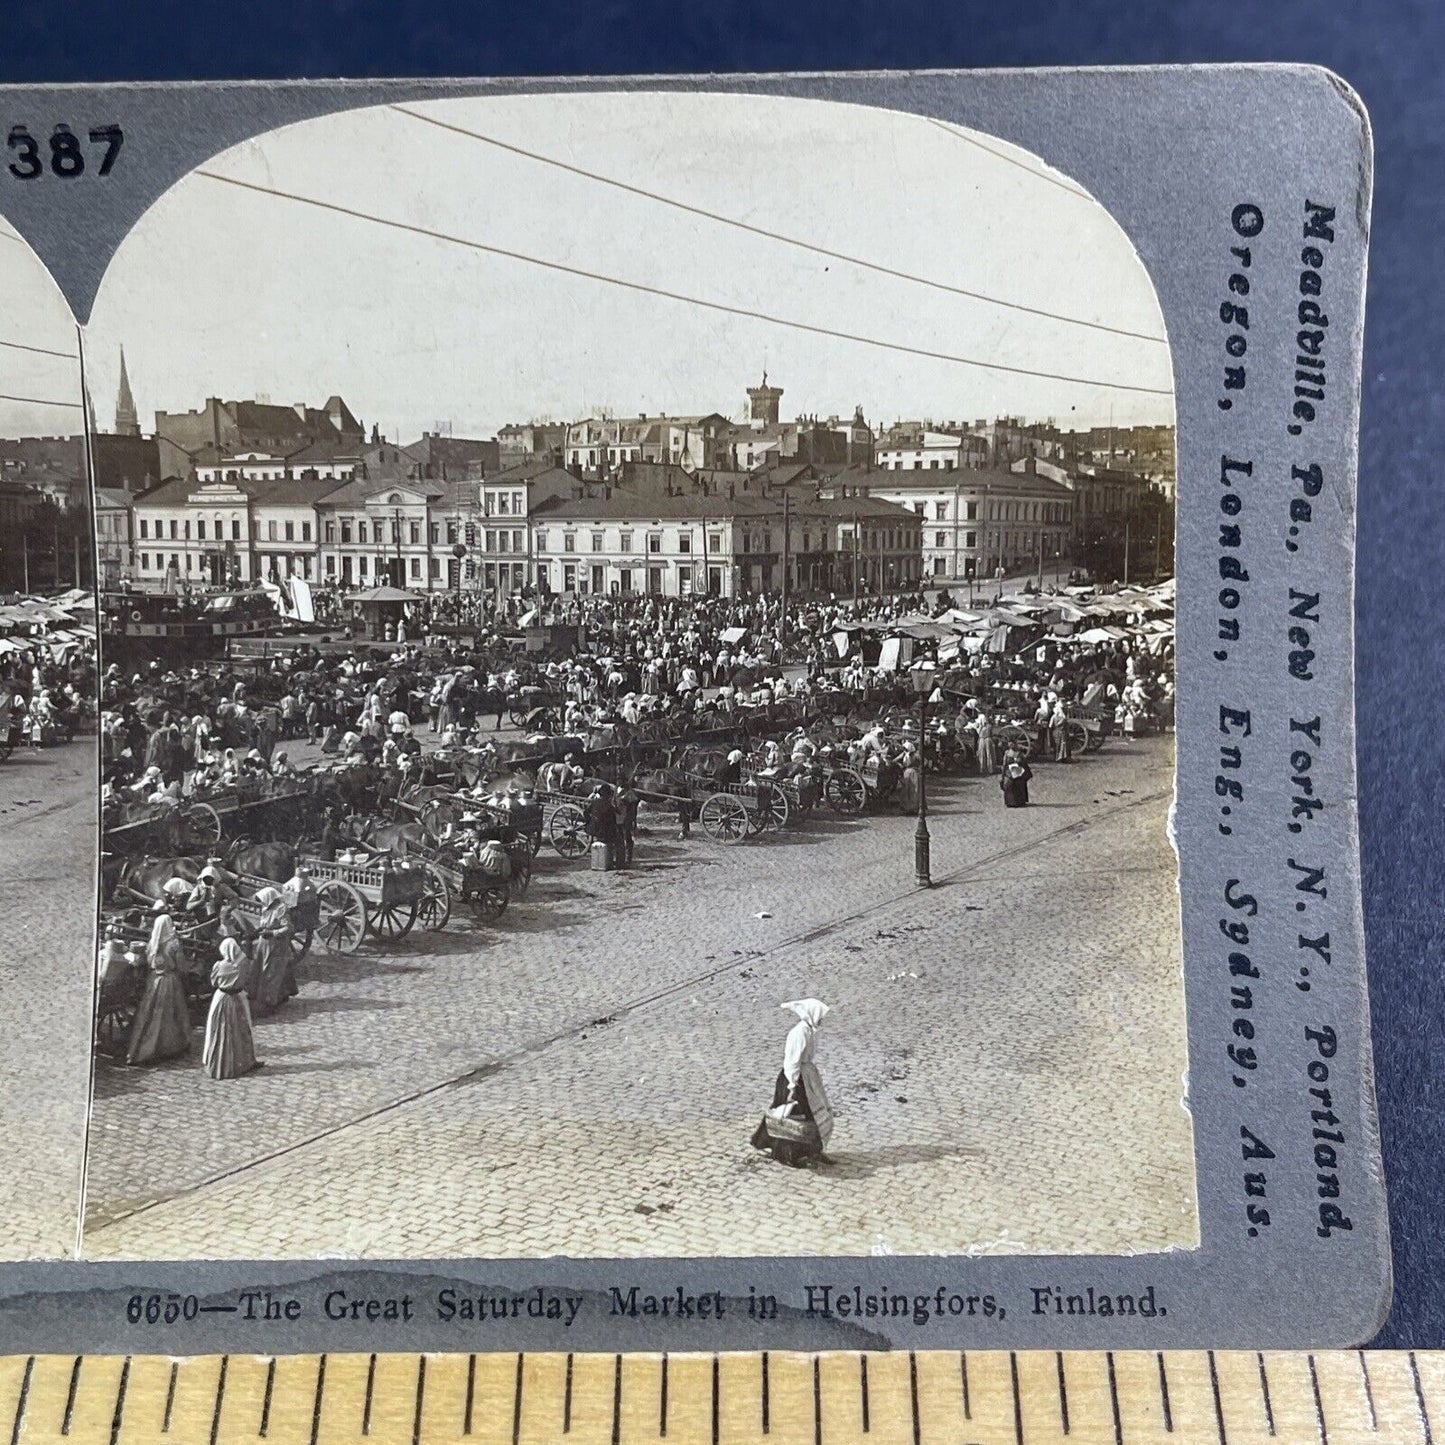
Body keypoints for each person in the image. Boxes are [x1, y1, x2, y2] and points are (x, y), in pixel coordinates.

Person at [750, 999, 834, 1166]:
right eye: (820, 1016)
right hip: (794, 1079)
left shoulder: (810, 1031)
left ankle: (814, 1151)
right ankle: (787, 1154)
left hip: (807, 1076)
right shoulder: (799, 1033)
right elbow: (792, 1061)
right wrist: (792, 1085)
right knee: (793, 1116)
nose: (822, 1020)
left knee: (814, 1114)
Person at [126, 906, 192, 1066]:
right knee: (170, 1015)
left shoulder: (153, 943)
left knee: (150, 1014)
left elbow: (149, 962)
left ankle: (146, 1047)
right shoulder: (173, 944)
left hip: (154, 979)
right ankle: (169, 1047)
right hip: (170, 980)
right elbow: (181, 965)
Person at [202, 937, 261, 1079]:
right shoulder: (244, 963)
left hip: (221, 998)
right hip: (238, 998)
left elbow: (213, 982)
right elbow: (248, 978)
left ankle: (216, 1061)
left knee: (218, 1029)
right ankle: (243, 1061)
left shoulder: (219, 966)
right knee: (240, 1029)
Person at [249, 887, 297, 1015]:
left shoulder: (281, 909)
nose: (261, 902)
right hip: (264, 942)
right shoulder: (266, 908)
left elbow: (288, 928)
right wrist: (258, 931)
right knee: (261, 969)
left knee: (271, 972)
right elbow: (264, 923)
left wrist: (272, 932)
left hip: (277, 944)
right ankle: (273, 996)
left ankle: (269, 1002)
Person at [616, 783, 641, 865]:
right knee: (619, 840)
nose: (619, 781)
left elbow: (633, 807)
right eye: (618, 779)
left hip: (626, 819)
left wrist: (633, 819)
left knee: (627, 839)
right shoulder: (616, 789)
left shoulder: (630, 792)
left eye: (621, 780)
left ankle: (628, 859)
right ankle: (620, 859)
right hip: (618, 818)